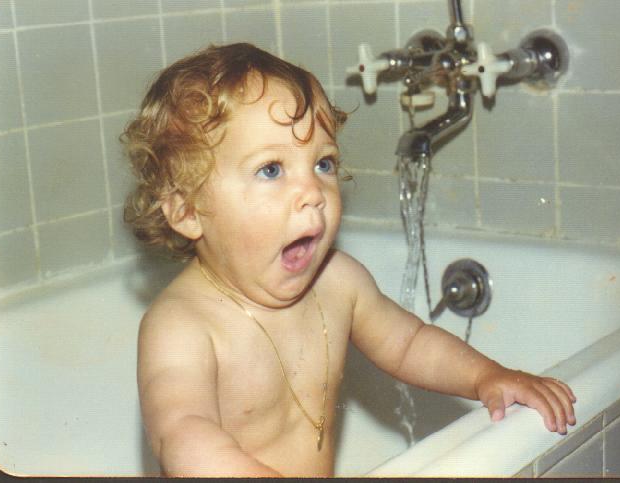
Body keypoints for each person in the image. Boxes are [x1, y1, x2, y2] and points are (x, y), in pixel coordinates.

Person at [123, 43, 576, 478]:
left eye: (323, 164)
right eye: (271, 169)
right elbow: (185, 437)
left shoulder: (338, 281)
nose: (312, 192)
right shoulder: (182, 325)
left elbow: (410, 344)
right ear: (187, 211)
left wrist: (487, 376)